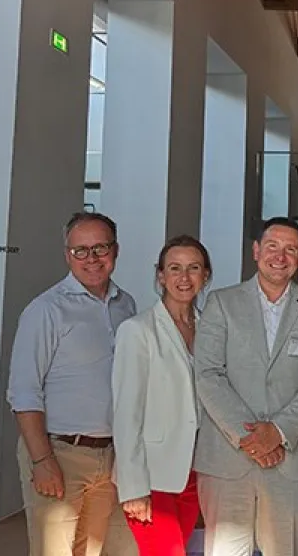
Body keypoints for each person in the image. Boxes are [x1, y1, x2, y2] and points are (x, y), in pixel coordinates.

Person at [194, 216, 298, 556]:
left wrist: (278, 431)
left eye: (291, 249)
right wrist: (251, 438)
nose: (280, 256)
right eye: (272, 246)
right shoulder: (221, 303)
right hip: (228, 461)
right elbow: (208, 373)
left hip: (293, 462)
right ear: (256, 251)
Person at [6, 211, 138, 556]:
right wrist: (41, 460)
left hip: (110, 457)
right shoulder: (46, 310)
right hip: (60, 454)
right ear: (67, 255)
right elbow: (24, 392)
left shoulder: (127, 306)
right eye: (80, 251)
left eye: (100, 248)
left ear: (116, 250)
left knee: (91, 551)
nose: (91, 259)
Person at [112, 234, 212, 555]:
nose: (184, 278)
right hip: (153, 476)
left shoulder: (211, 329)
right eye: (174, 268)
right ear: (160, 275)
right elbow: (126, 414)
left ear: (205, 275)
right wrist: (133, 488)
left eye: (193, 268)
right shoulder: (137, 330)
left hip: (195, 472)